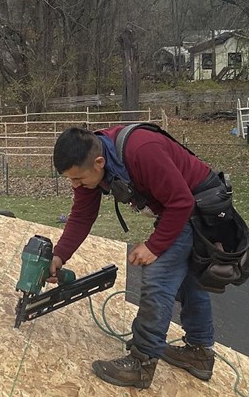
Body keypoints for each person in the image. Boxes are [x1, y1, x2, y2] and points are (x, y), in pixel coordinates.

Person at [50, 125, 219, 389]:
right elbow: (82, 216)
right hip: (180, 204)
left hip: (197, 203)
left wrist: (154, 245)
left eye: (78, 179)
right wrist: (59, 256)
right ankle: (200, 353)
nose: (75, 185)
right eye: (70, 180)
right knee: (187, 278)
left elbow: (181, 202)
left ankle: (141, 363)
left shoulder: (142, 150)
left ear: (99, 163)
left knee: (158, 277)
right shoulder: (90, 161)